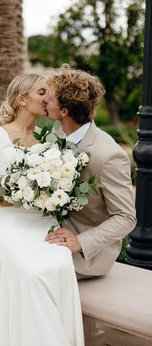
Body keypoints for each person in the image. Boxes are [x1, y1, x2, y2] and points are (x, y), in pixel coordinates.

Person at [0, 73, 85, 346]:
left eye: (49, 93)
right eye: (42, 92)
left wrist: (52, 194)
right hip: (7, 224)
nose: (49, 99)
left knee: (60, 264)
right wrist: (23, 195)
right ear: (22, 99)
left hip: (41, 223)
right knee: (28, 272)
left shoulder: (48, 140)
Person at [44, 65, 136, 276]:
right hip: (49, 235)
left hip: (86, 254)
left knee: (25, 272)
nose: (45, 101)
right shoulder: (57, 131)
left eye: (49, 97)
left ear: (64, 110)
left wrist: (80, 242)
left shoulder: (108, 155)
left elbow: (126, 217)